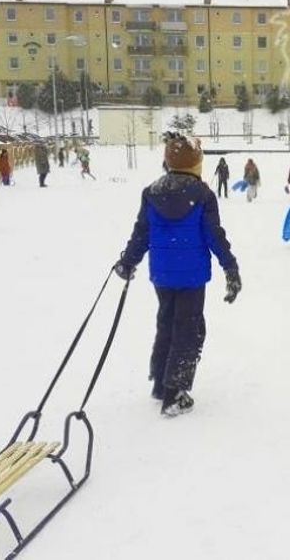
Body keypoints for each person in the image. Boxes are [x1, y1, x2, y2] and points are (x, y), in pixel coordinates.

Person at [113, 135, 241, 418]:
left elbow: (141, 233)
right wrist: (230, 267)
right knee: (190, 329)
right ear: (196, 165)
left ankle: (160, 383)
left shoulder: (152, 192)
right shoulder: (203, 195)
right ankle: (174, 394)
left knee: (167, 323)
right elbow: (214, 236)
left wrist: (128, 261)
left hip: (162, 275)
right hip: (192, 276)